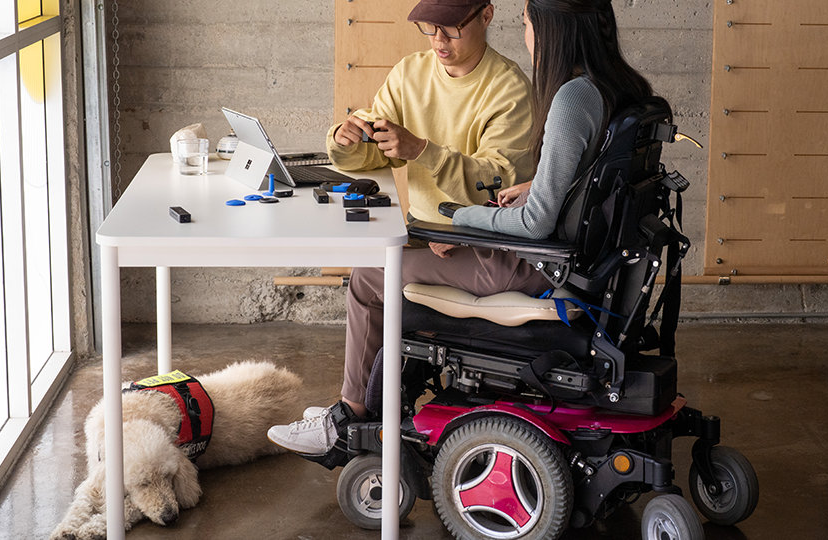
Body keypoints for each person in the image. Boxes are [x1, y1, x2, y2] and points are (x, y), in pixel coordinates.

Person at [268, 0, 654, 456]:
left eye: (528, 25)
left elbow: (533, 222)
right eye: (430, 30)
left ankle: (351, 413)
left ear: (552, 31)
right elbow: (587, 182)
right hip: (558, 253)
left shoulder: (561, 97)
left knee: (370, 276)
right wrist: (344, 139)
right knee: (387, 263)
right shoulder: (619, 89)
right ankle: (366, 401)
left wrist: (453, 221)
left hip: (532, 260)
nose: (439, 42)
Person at [327, 0, 537, 222]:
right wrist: (345, 141)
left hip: (480, 232)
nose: (439, 39)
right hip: (419, 223)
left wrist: (421, 150)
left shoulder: (511, 90)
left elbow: (498, 190)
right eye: (430, 24)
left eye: (452, 26)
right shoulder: (409, 72)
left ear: (486, 16)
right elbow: (377, 152)